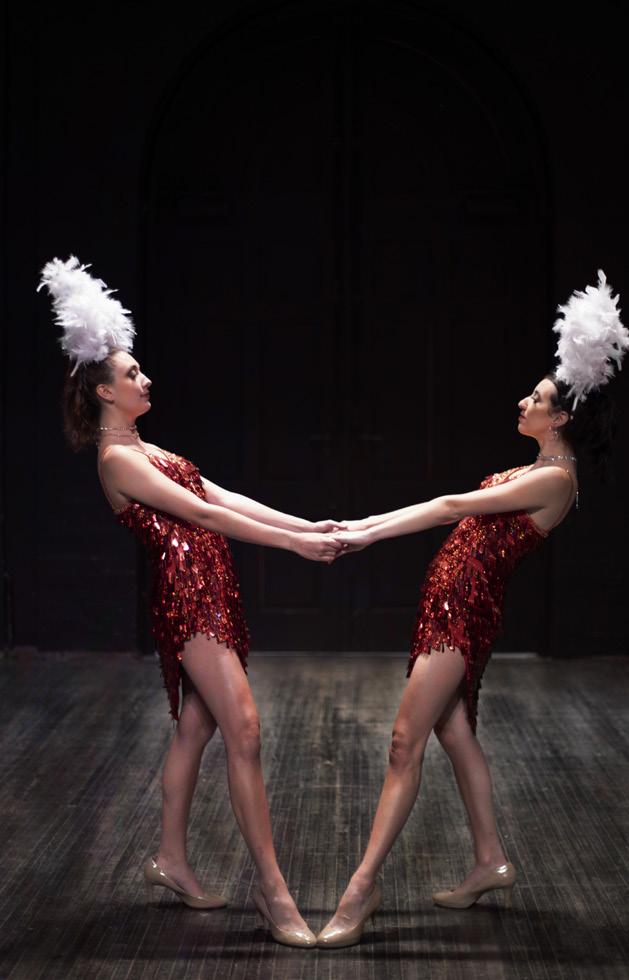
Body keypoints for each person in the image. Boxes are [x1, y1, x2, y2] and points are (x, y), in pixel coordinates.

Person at [39, 255, 343, 949]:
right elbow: (202, 518)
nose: (146, 379)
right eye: (133, 373)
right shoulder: (118, 460)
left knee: (196, 729)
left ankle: (170, 860)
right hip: (189, 602)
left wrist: (306, 525)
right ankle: (273, 891)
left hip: (212, 593)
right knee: (245, 730)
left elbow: (219, 495)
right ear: (105, 391)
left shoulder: (145, 447)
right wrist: (292, 548)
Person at [316, 270, 628, 948]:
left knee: (404, 743)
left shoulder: (555, 479)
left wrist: (364, 532)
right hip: (448, 605)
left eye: (537, 398)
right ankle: (489, 859)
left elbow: (452, 506)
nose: (524, 401)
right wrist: (366, 530)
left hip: (461, 614)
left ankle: (360, 889)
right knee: (453, 733)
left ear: (561, 418)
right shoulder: (535, 468)